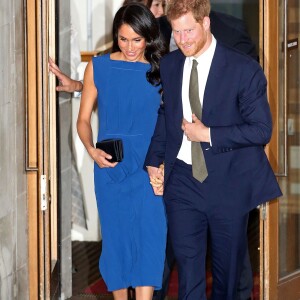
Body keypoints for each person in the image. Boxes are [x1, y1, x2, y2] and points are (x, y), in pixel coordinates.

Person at [145, 0, 282, 299]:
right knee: (189, 272)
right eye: (177, 33)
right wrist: (154, 160)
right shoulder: (170, 65)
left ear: (205, 23)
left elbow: (261, 129)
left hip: (228, 182)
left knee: (226, 277)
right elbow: (165, 114)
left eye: (189, 31)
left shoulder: (243, 68)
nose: (182, 41)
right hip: (182, 181)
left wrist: (207, 134)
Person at [76, 4, 167, 300]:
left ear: (148, 37)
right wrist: (91, 150)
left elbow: (171, 121)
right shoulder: (98, 67)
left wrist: (164, 162)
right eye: (124, 39)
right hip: (110, 167)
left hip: (150, 167)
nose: (130, 47)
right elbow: (83, 120)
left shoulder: (161, 69)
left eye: (137, 40)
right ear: (116, 35)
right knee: (116, 241)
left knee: (150, 238)